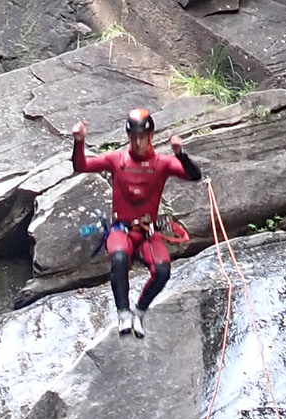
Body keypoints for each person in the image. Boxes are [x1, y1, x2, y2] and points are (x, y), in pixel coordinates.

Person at [70, 108, 203, 338]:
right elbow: (81, 166)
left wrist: (180, 154)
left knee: (162, 270)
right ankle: (123, 313)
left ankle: (139, 312)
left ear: (151, 137)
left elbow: (194, 175)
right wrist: (79, 141)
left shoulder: (162, 163)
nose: (138, 142)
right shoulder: (117, 159)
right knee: (119, 257)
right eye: (134, 137)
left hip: (146, 234)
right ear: (128, 137)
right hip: (120, 230)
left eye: (143, 137)